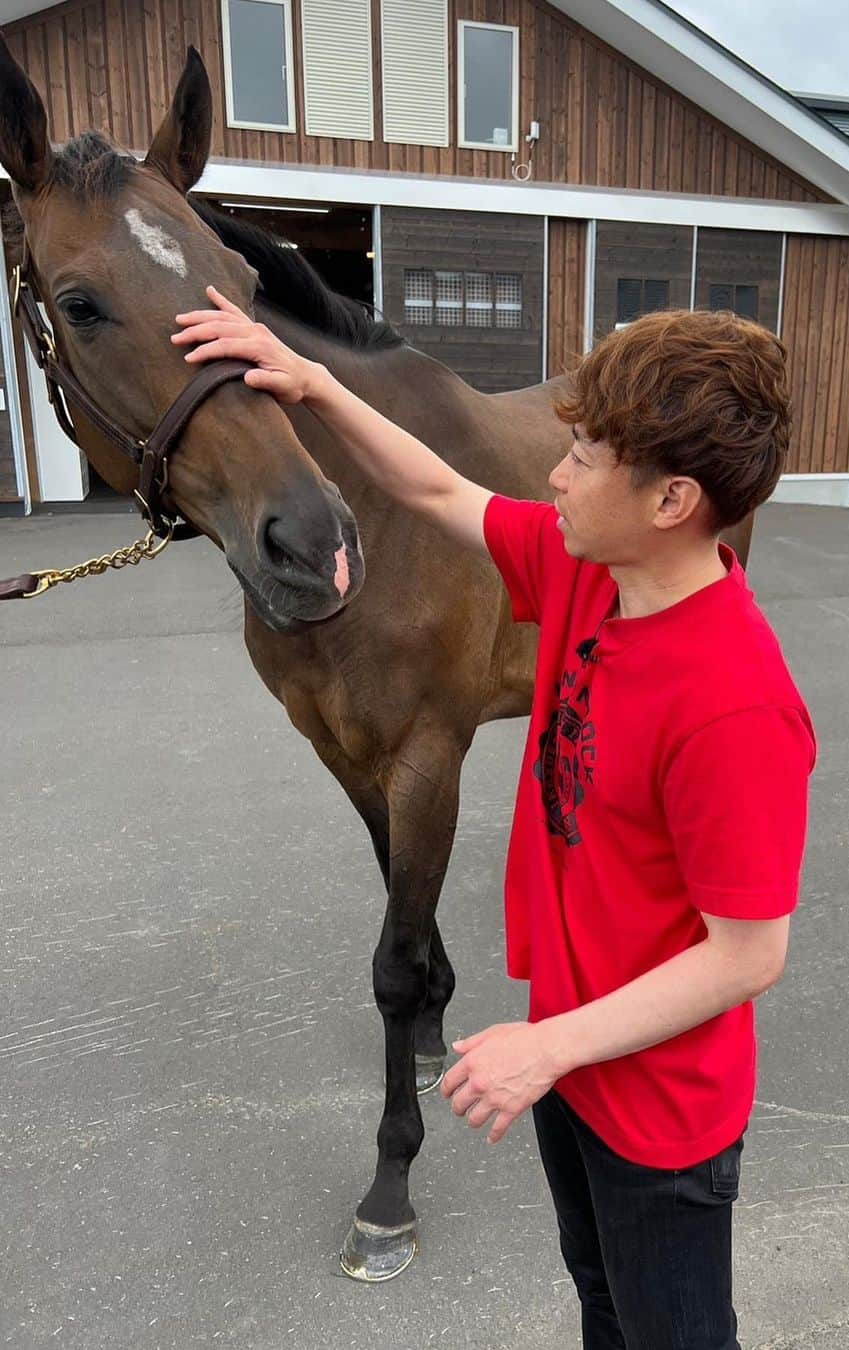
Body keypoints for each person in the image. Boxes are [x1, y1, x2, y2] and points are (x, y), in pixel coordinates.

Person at [173, 291, 816, 1350]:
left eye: (585, 458)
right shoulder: (585, 571)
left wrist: (542, 1048)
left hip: (658, 1112)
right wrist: (310, 381)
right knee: (602, 1304)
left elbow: (748, 955)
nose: (554, 475)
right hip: (566, 1056)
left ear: (673, 501)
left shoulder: (734, 699)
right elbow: (433, 486)